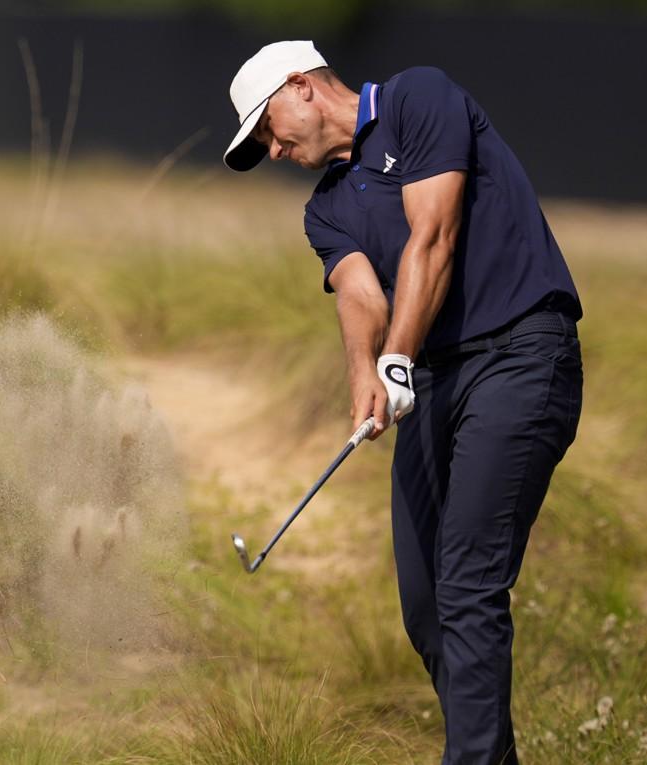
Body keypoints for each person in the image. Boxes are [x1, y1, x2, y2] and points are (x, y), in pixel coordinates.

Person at [223, 40, 584, 765]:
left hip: (521, 354)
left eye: (267, 129)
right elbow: (360, 293)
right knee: (426, 604)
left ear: (302, 88)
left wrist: (396, 356)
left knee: (468, 583)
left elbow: (435, 236)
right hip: (437, 379)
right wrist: (367, 374)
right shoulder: (324, 211)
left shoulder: (419, 98)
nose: (272, 149)